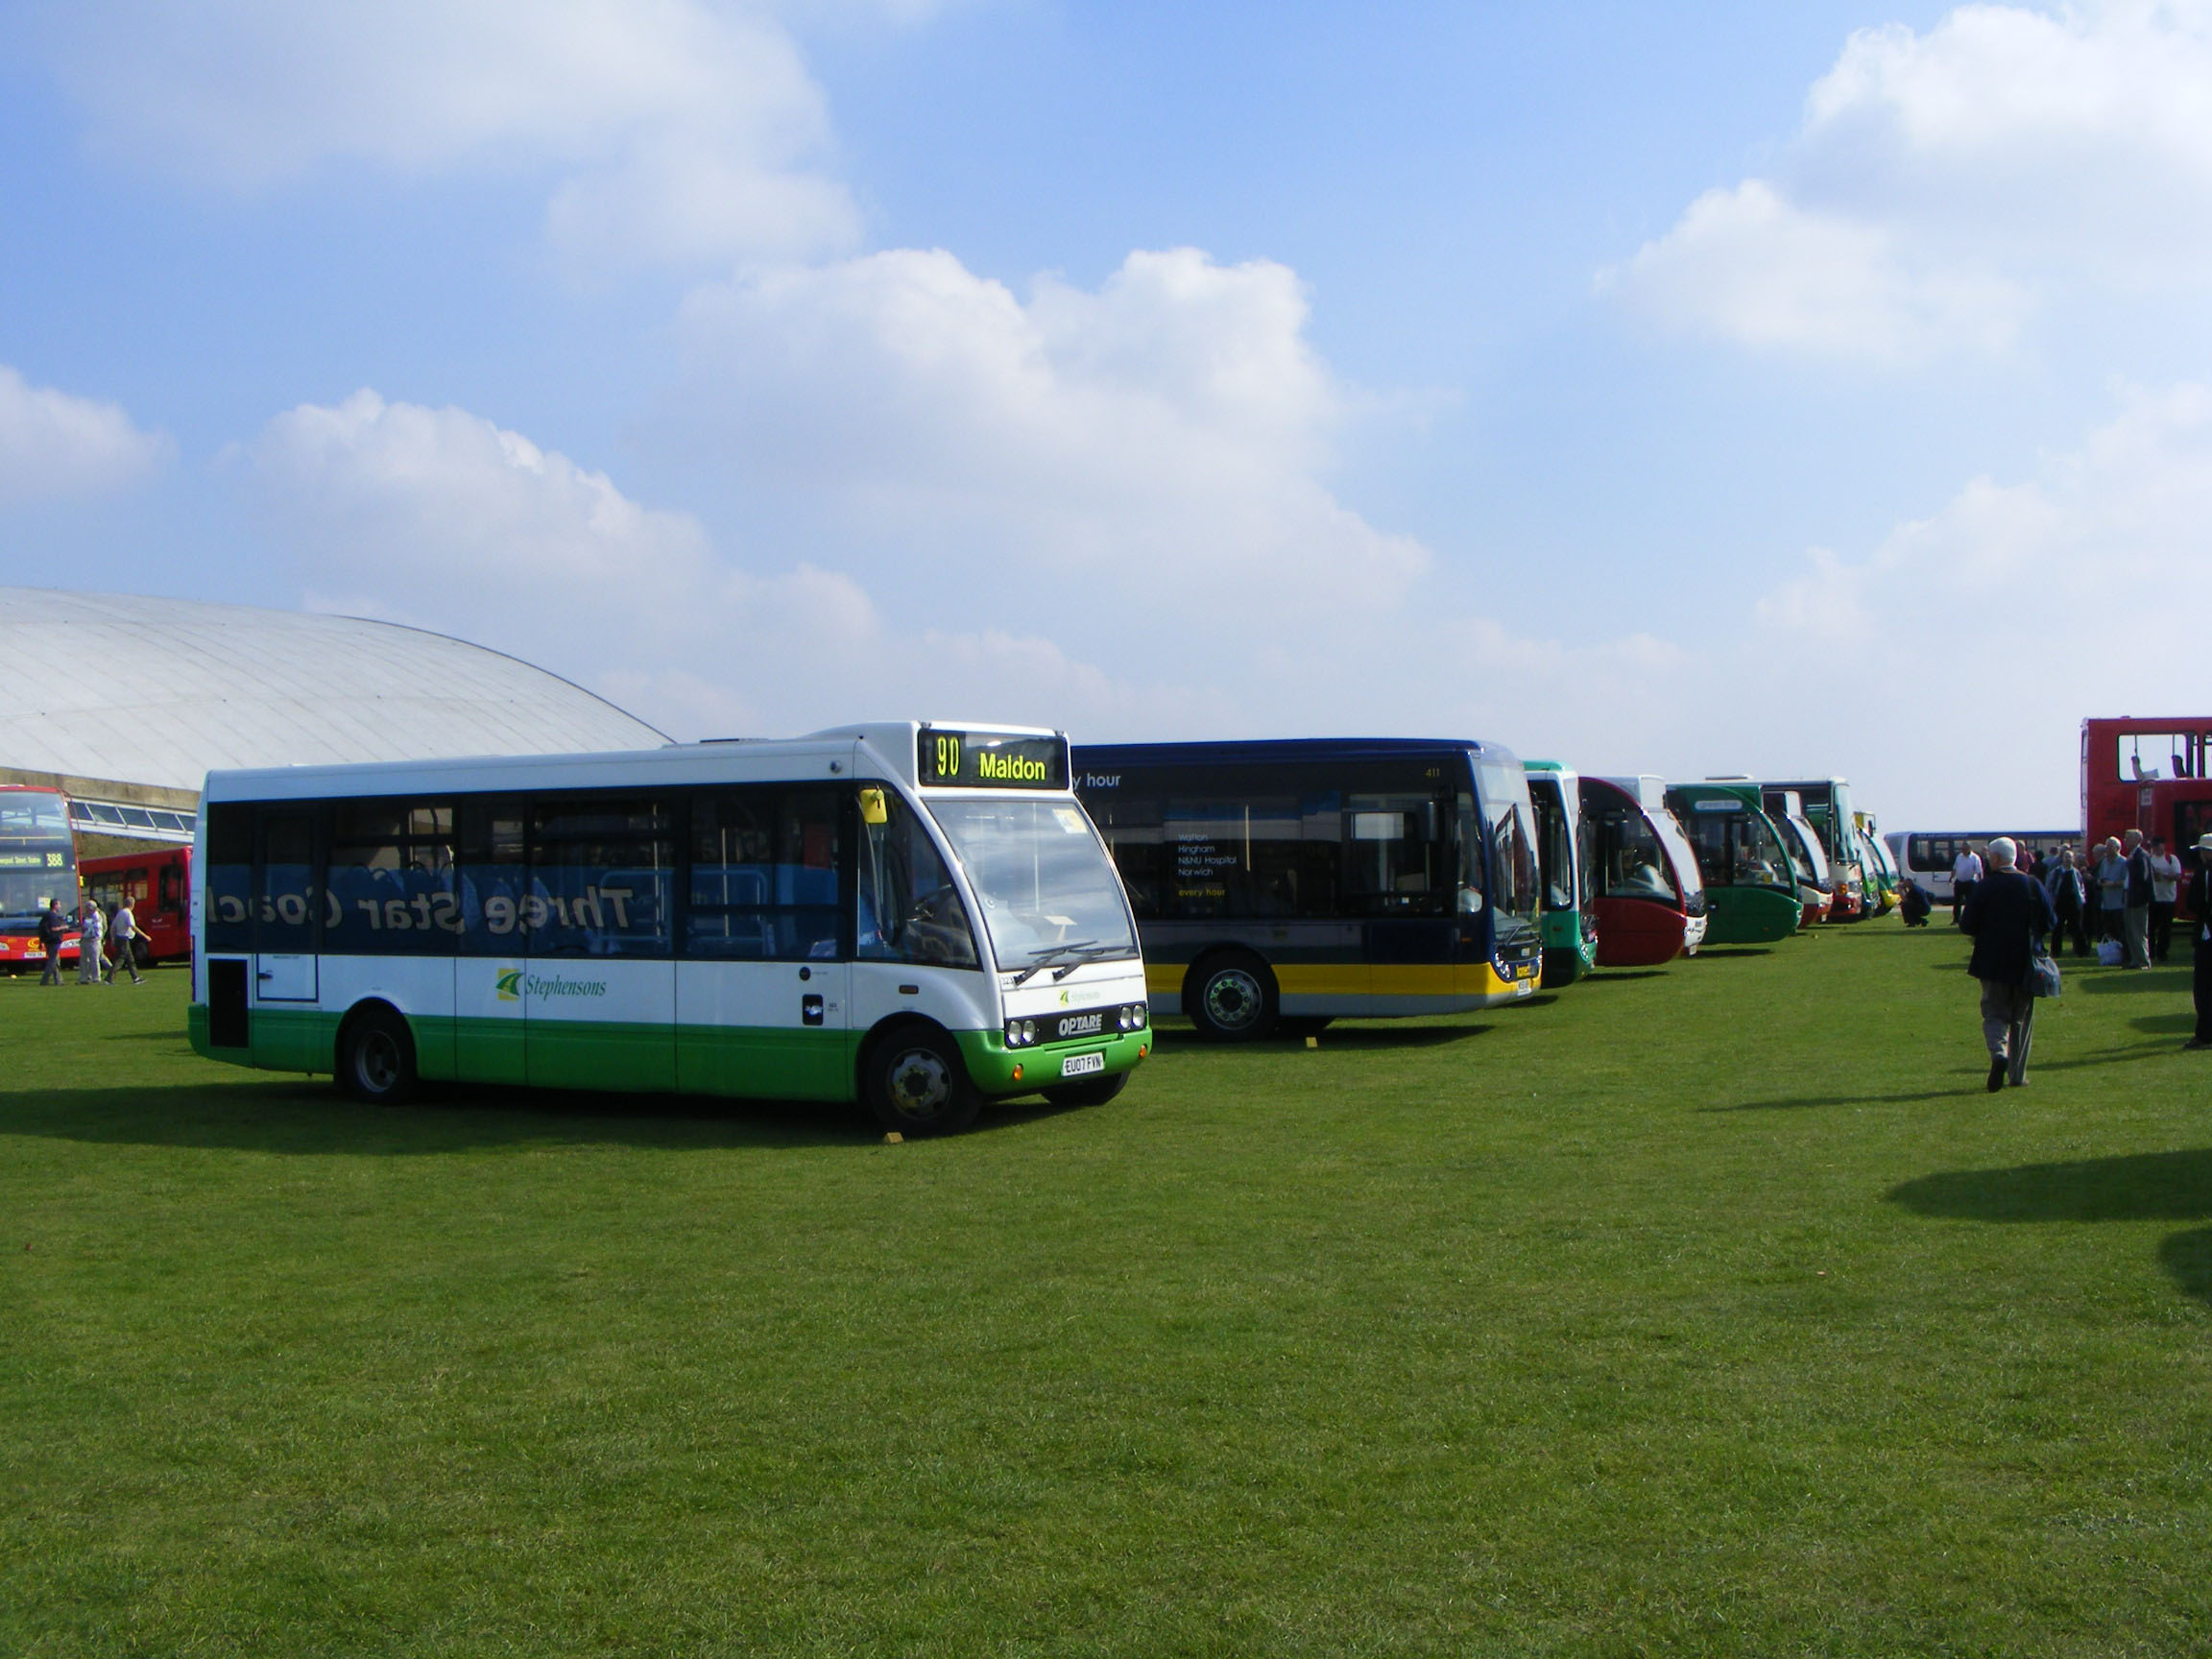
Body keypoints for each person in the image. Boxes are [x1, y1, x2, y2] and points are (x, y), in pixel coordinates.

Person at [1960, 836, 2056, 1090]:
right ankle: (2017, 1074)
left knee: (1994, 1013)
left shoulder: (1985, 886)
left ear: (1996, 858)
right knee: (2021, 1018)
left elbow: (1967, 925)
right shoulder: (2032, 885)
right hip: (2026, 962)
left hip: (1992, 961)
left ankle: (1998, 1052)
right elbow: (2050, 921)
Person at [2042, 846, 2092, 957]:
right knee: (2058, 927)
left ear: (2073, 859)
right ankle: (2056, 952)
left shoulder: (2076, 872)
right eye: (2066, 857)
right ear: (2063, 858)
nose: (2068, 859)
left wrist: (2082, 899)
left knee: (2077, 927)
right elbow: (2049, 886)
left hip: (2073, 902)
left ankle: (2081, 951)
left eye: (2070, 857)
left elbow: (2081, 887)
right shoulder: (2056, 872)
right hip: (2060, 902)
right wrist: (2051, 900)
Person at [2188, 833, 2212, 1051]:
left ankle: (2204, 1034)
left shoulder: (2203, 872)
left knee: (2203, 988)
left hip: (2206, 934)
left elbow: (2194, 903)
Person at [2122, 829, 2154, 969]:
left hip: (2138, 898)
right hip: (2129, 896)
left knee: (2138, 931)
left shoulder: (2142, 856)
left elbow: (2144, 877)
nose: (2125, 841)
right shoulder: (2132, 855)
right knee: (2130, 930)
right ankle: (2135, 959)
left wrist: (2141, 896)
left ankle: (2144, 961)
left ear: (2137, 840)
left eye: (2128, 838)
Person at [2150, 836, 2183, 963]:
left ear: (2163, 846)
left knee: (2165, 928)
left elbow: (2178, 876)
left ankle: (2162, 952)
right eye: (2154, 846)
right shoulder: (2149, 859)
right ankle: (2151, 952)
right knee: (2150, 927)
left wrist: (2165, 875)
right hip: (2153, 898)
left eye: (2158, 846)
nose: (2156, 849)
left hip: (2168, 898)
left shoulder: (2171, 859)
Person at [2093, 837, 2128, 945]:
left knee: (2120, 933)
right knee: (2108, 933)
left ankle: (2122, 952)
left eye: (2109, 846)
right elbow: (2100, 877)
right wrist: (2100, 882)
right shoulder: (2104, 862)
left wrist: (2114, 884)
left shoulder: (2124, 862)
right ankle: (2111, 952)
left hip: (2119, 905)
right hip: (2105, 905)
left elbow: (2127, 881)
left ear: (2117, 848)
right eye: (2106, 846)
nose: (2106, 848)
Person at [106, 896, 145, 984]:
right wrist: (144, 935)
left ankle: (135, 978)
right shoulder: (128, 913)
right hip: (124, 938)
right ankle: (109, 978)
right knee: (120, 958)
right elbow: (132, 926)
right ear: (132, 904)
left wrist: (113, 938)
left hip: (119, 938)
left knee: (130, 959)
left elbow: (113, 927)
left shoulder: (120, 913)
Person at [1951, 841, 1984, 926]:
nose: (1963, 850)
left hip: (1970, 882)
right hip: (1959, 881)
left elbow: (1979, 871)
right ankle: (1956, 920)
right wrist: (1951, 877)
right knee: (1957, 902)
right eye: (1962, 848)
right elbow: (1955, 868)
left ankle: (1970, 919)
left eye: (1965, 848)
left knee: (1970, 902)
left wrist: (1981, 883)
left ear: (1969, 848)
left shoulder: (1975, 858)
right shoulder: (1959, 857)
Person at [36, 898, 67, 986]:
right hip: (54, 941)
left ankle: (59, 981)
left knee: (56, 961)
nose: (60, 906)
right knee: (52, 962)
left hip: (48, 941)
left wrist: (41, 941)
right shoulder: (52, 916)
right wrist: (63, 927)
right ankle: (44, 980)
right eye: (59, 904)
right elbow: (53, 928)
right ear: (55, 905)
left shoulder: (47, 915)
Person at [75, 901, 105, 985]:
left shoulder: (96, 917)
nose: (86, 909)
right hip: (85, 940)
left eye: (87, 908)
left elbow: (92, 929)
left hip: (93, 940)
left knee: (94, 960)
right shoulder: (87, 917)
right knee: (83, 960)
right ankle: (84, 978)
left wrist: (84, 930)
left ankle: (96, 978)